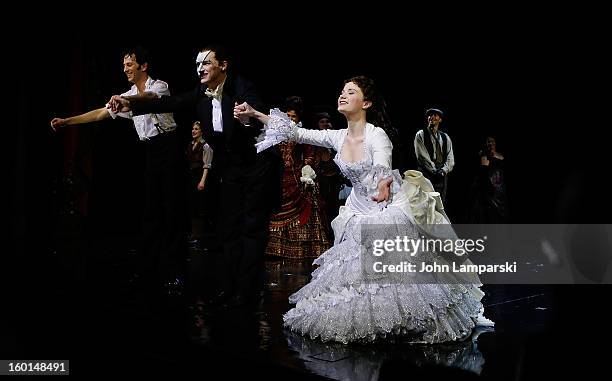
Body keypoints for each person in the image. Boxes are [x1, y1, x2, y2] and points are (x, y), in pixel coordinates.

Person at [235, 75, 493, 344]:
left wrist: (383, 182)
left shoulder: (375, 134)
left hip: (386, 207)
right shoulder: (337, 136)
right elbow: (296, 132)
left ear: (366, 102)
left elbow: (383, 161)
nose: (342, 95)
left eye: (351, 91)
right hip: (358, 209)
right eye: (342, 91)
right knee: (356, 281)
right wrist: (255, 113)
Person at [108, 45, 282, 308]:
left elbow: (256, 115)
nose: (200, 68)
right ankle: (232, 287)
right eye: (198, 63)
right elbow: (172, 102)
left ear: (223, 66)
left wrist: (248, 117)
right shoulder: (201, 91)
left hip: (257, 163)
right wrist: (130, 102)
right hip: (232, 166)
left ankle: (247, 292)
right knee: (228, 228)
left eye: (206, 63)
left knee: (252, 228)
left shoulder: (242, 87)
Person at [50, 47, 188, 298]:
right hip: (151, 151)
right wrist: (67, 121)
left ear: (143, 66)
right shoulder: (127, 95)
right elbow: (101, 113)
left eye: (129, 65)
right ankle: (150, 268)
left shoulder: (159, 86)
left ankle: (175, 270)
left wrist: (127, 101)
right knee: (150, 210)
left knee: (172, 210)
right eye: (124, 65)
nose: (125, 69)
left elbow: (148, 99)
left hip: (169, 148)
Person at [265, 97, 331, 258]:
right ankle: (275, 251)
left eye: (293, 116)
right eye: (287, 116)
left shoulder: (301, 134)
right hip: (278, 178)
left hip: (297, 179)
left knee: (306, 207)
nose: (290, 119)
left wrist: (307, 171)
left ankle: (302, 250)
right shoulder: (274, 134)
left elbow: (309, 154)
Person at [414, 107, 455, 203]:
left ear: (440, 119)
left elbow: (450, 158)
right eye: (430, 115)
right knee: (425, 202)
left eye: (435, 115)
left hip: (441, 175)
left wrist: (443, 171)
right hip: (426, 173)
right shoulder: (421, 134)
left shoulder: (445, 137)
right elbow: (422, 156)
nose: (432, 117)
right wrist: (434, 171)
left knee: (439, 203)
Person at [468, 136, 508, 223]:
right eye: (488, 142)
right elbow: (482, 173)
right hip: (487, 190)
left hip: (499, 188)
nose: (491, 144)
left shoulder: (500, 155)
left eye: (492, 141)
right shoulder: (483, 155)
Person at [186, 121, 214, 241]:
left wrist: (202, 181)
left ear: (201, 131)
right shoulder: (190, 144)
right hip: (191, 176)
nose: (194, 131)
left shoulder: (206, 146)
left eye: (196, 129)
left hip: (200, 177)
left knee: (200, 206)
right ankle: (193, 233)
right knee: (192, 205)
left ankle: (200, 235)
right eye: (193, 129)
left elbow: (207, 165)